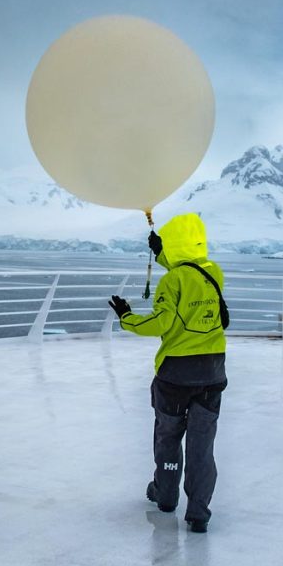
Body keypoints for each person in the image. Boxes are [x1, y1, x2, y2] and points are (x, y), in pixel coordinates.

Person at [108, 213, 227, 534]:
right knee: (203, 446)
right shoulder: (213, 272)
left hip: (176, 374)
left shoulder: (171, 280)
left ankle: (166, 495)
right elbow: (187, 272)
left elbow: (161, 322)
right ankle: (199, 513)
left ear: (173, 243)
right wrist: (162, 254)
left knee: (168, 436)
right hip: (213, 372)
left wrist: (127, 317)